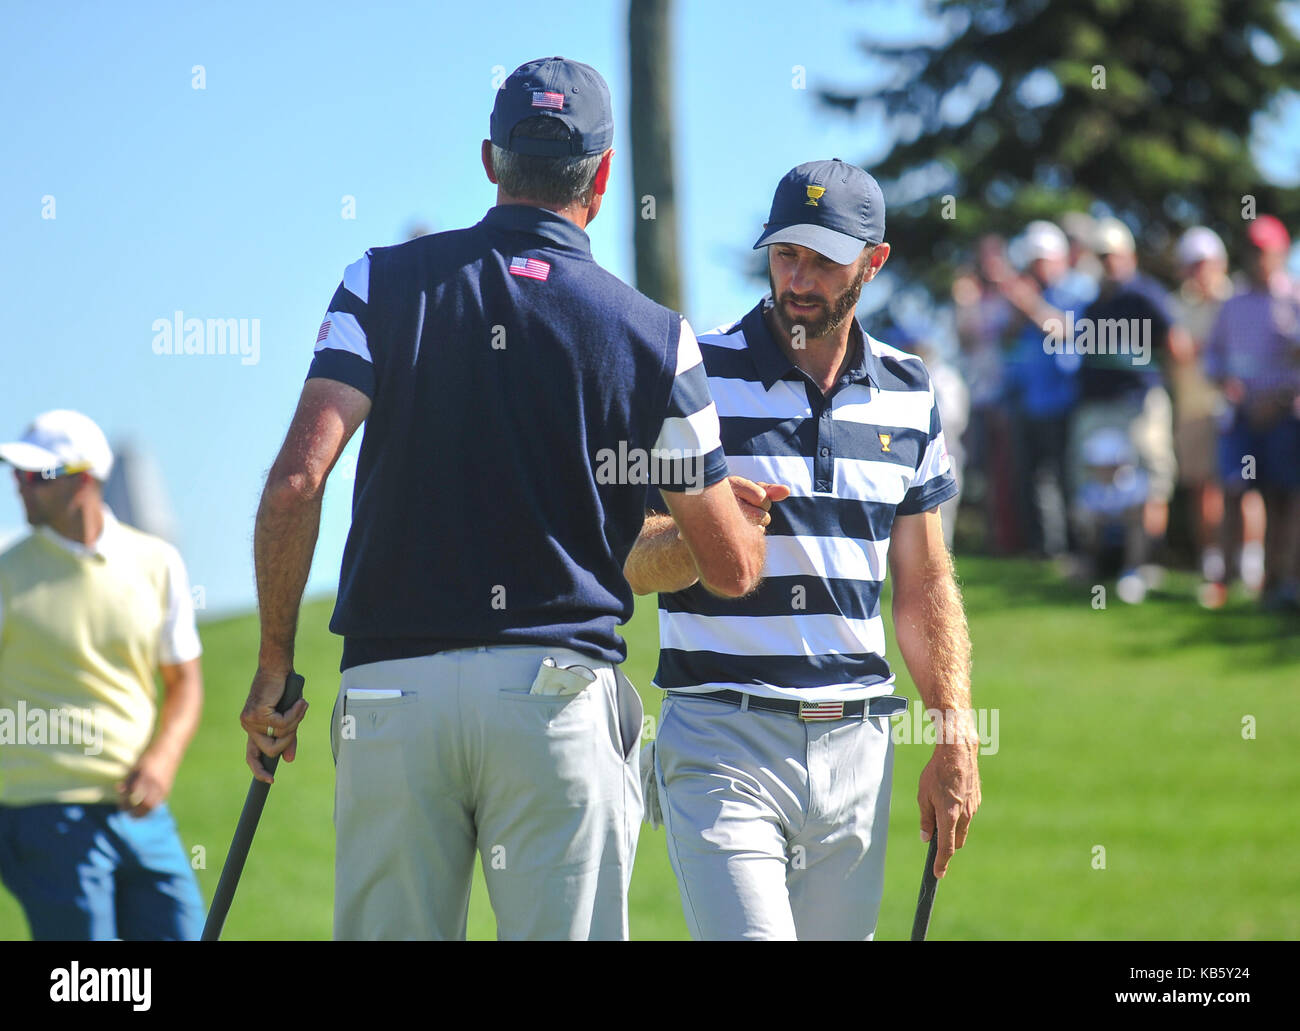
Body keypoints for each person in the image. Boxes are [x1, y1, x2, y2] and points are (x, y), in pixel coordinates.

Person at [239, 56, 765, 941]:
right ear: (601, 177)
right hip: (556, 700)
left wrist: (273, 659)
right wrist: (720, 525)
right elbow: (728, 566)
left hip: (389, 695)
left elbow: (298, 479)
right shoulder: (656, 335)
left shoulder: (380, 282)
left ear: (491, 161)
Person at [626, 160, 982, 940]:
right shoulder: (695, 370)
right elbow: (626, 557)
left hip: (860, 745)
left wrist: (954, 730)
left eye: (824, 259)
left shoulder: (908, 389)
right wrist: (704, 536)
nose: (799, 277)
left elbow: (923, 580)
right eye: (786, 253)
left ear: (873, 262)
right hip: (722, 738)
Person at [0, 410, 205, 940]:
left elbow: (184, 681)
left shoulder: (157, 563)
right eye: (15, 474)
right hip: (42, 816)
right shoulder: (5, 569)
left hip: (140, 812)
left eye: (34, 477)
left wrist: (162, 761)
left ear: (84, 479)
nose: (19, 488)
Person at [1070, 217, 1178, 603]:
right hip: (1098, 405)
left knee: (1146, 488)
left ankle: (1140, 566)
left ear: (1127, 255)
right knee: (1091, 489)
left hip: (1139, 405)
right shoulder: (1093, 303)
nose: (1108, 263)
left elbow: (1176, 345)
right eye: (1102, 256)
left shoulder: (1146, 295)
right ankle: (1093, 565)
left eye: (1112, 255)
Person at [1204, 215, 1300, 610]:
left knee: (1284, 498)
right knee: (1234, 491)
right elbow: (1213, 359)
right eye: (1254, 250)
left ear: (1280, 253)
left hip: (1283, 418)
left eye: (1266, 251)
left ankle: (1280, 580)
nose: (1259, 258)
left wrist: (1277, 399)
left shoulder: (1294, 299)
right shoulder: (1234, 304)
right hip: (1242, 418)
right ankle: (1224, 580)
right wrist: (1230, 387)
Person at [999, 220, 1090, 559]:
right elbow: (1006, 340)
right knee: (1031, 478)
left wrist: (1029, 305)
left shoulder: (1079, 289)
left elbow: (1065, 331)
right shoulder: (1027, 292)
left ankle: (1077, 548)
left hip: (1065, 398)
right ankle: (1043, 549)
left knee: (1068, 478)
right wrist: (1018, 308)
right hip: (1027, 399)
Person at [1169, 227, 1234, 607]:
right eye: (1193, 265)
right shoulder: (1177, 306)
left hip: (1229, 410)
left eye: (1205, 263)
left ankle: (1250, 566)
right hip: (1191, 411)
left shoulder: (1235, 300)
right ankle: (1213, 568)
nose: (1200, 272)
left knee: (1242, 490)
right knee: (1202, 490)